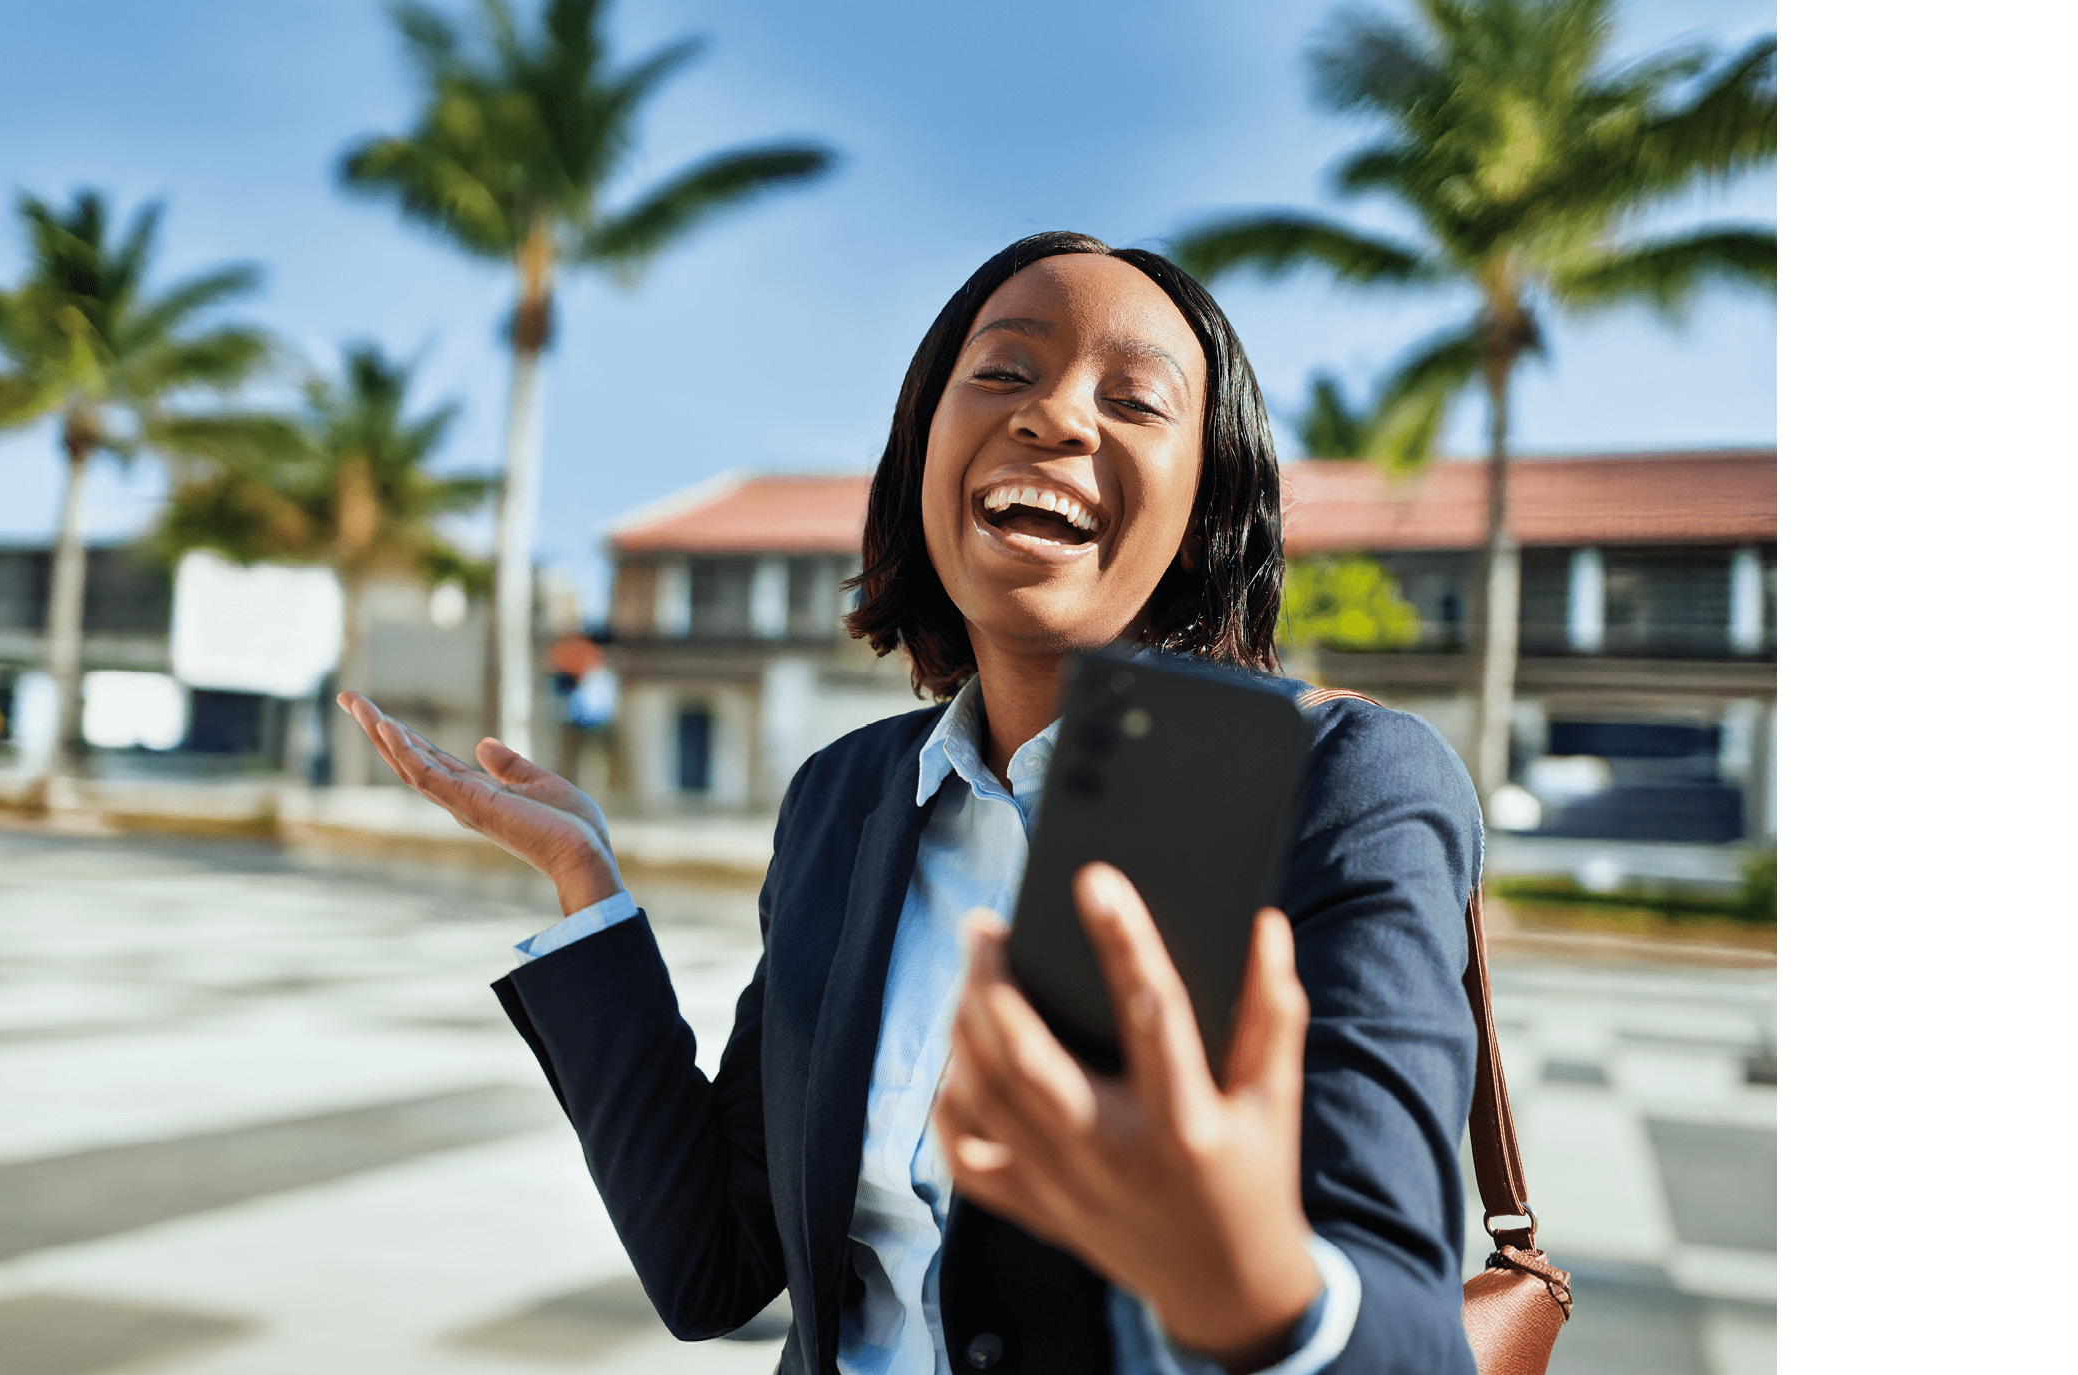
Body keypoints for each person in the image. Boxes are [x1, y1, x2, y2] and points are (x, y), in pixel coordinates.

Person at [339, 231, 1482, 1374]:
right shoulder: (844, 797)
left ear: (1208, 497)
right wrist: (587, 887)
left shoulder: (1343, 784)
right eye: (1003, 371)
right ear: (922, 448)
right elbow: (714, 1263)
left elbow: (1408, 1337)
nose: (1058, 417)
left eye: (1136, 398)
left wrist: (1252, 1289)